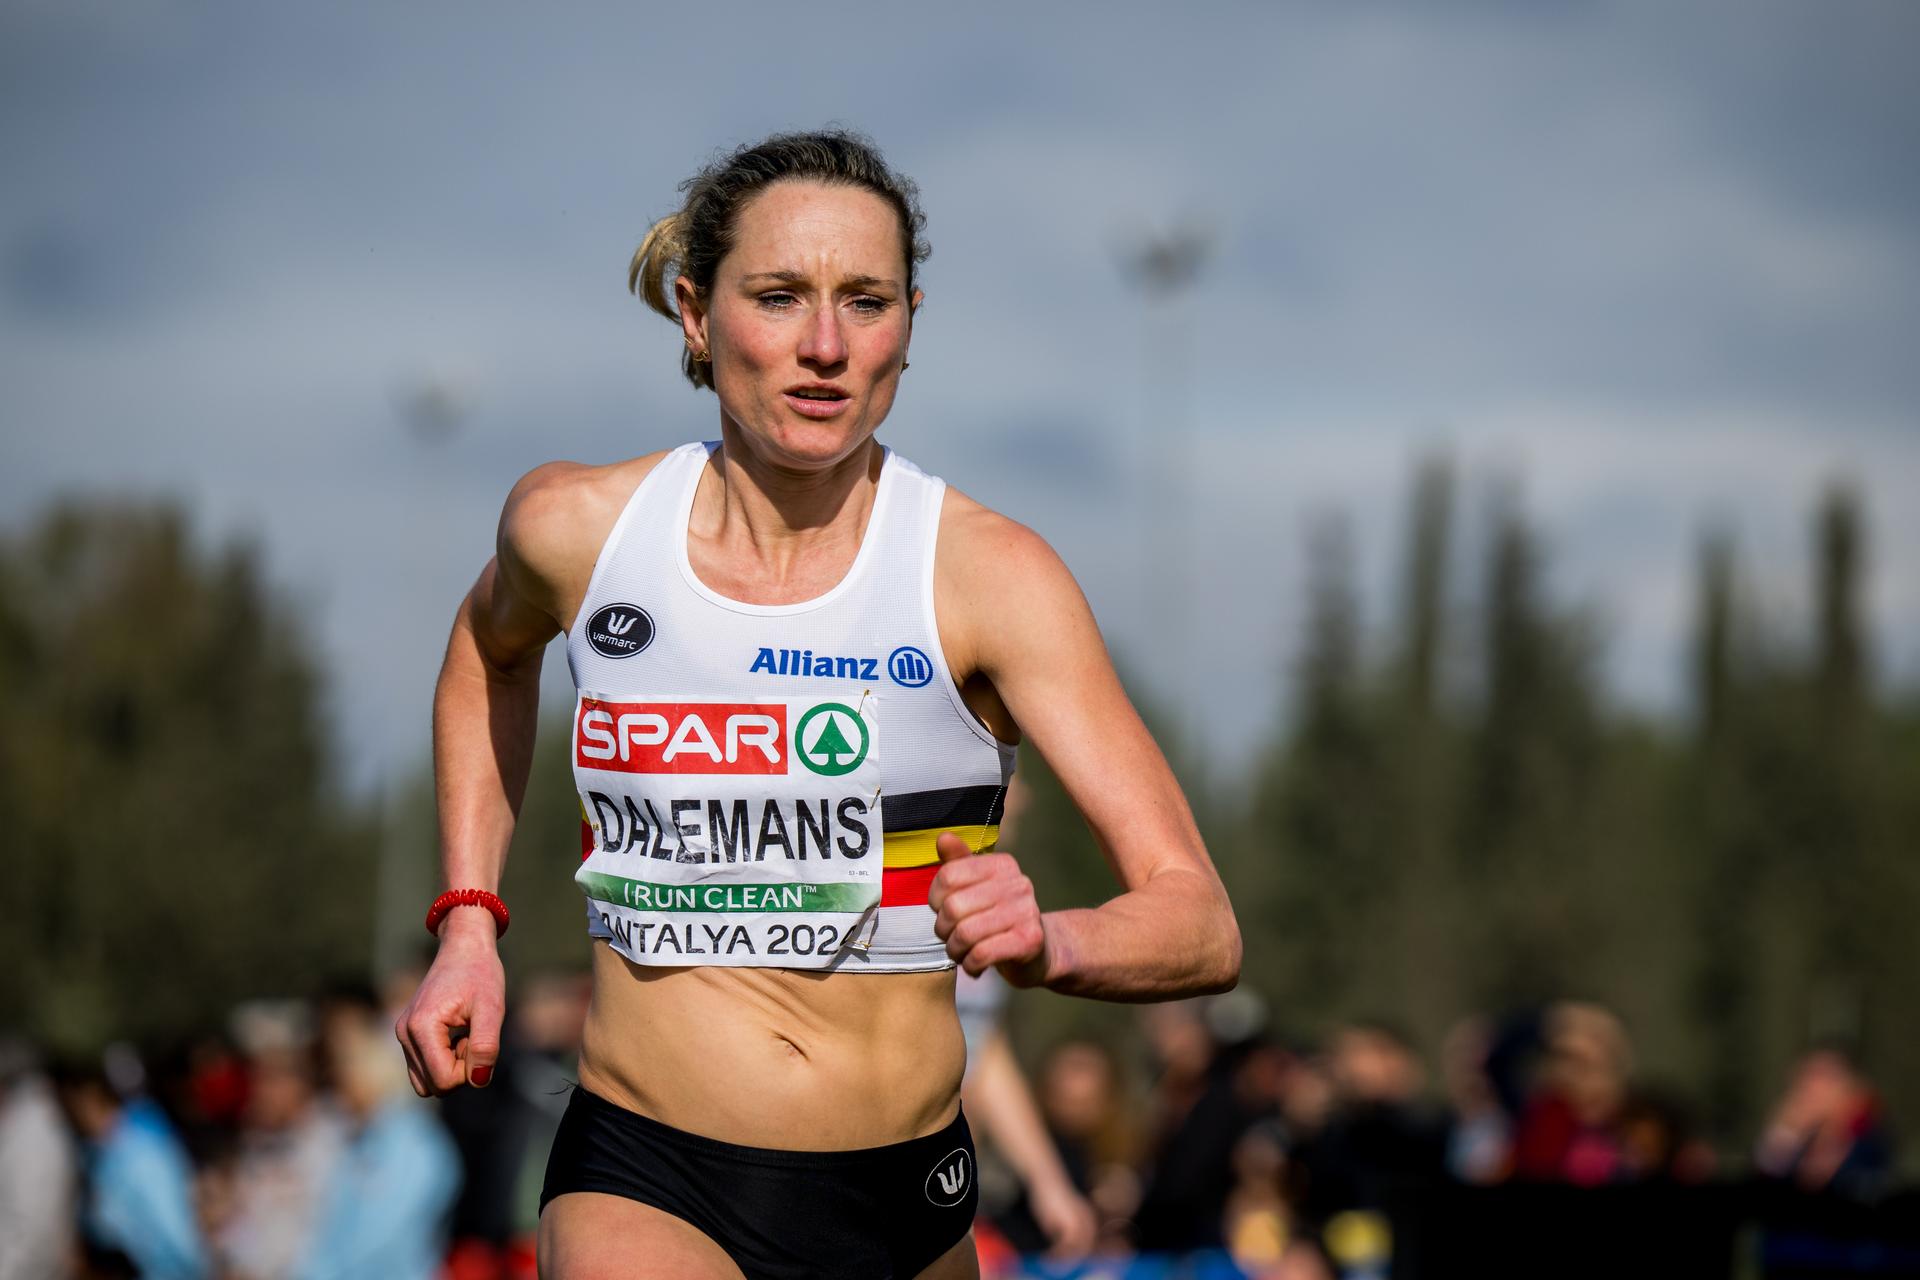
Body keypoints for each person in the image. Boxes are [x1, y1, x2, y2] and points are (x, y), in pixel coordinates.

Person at [396, 128, 1240, 1280]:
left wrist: (1053, 939)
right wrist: (467, 921)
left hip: (902, 1199)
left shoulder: (988, 576)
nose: (827, 345)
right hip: (646, 1164)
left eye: (867, 301)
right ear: (697, 314)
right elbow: (486, 654)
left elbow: (1201, 920)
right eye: (780, 296)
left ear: (910, 324)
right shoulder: (576, 531)